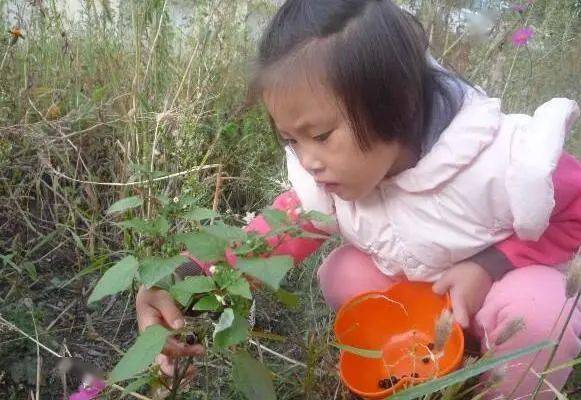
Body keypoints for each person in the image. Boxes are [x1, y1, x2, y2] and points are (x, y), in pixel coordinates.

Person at [136, 1, 581, 397]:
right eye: (291, 140)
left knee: (540, 312)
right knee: (343, 273)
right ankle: (427, 367)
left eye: (322, 136)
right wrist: (179, 282)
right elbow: (272, 235)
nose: (308, 161)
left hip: (498, 296)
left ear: (398, 103)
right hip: (424, 304)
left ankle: (503, 385)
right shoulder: (334, 177)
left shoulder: (501, 161)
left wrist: (489, 267)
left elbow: (575, 211)